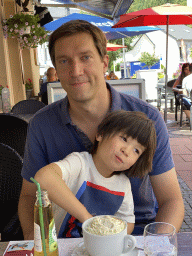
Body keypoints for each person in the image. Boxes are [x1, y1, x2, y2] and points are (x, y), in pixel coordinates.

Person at [18, 20, 184, 239]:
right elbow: (30, 197)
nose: (76, 71)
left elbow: (171, 200)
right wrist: (39, 246)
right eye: (64, 60)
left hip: (135, 237)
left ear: (105, 62)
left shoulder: (148, 119)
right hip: (65, 241)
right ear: (56, 70)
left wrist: (156, 245)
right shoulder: (42, 124)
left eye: (85, 57)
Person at [34, 110, 156, 238]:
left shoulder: (123, 184)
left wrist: (111, 240)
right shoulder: (80, 163)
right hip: (58, 245)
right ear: (100, 134)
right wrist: (87, 218)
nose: (127, 151)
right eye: (124, 138)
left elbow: (128, 223)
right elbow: (43, 177)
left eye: (136, 150)